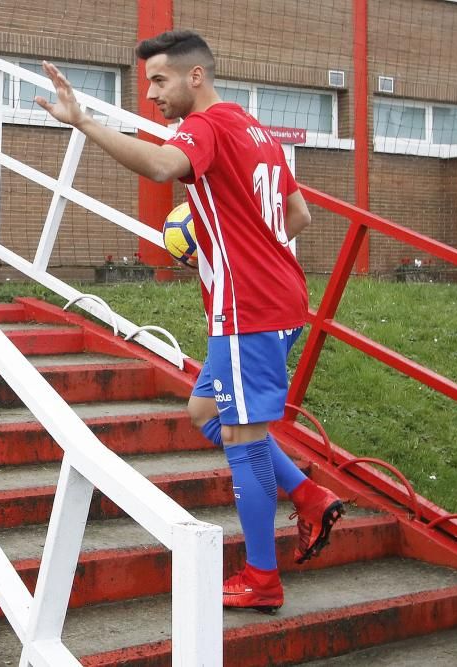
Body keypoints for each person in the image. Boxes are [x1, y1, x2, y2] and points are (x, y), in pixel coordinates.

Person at [35, 29, 344, 613]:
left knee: (241, 438)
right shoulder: (253, 128)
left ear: (194, 76)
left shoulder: (202, 129)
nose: (150, 94)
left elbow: (158, 166)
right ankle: (307, 496)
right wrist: (238, 248)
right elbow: (297, 213)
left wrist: (83, 121)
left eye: (159, 80)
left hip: (248, 313)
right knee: (205, 411)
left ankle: (261, 578)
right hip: (278, 302)